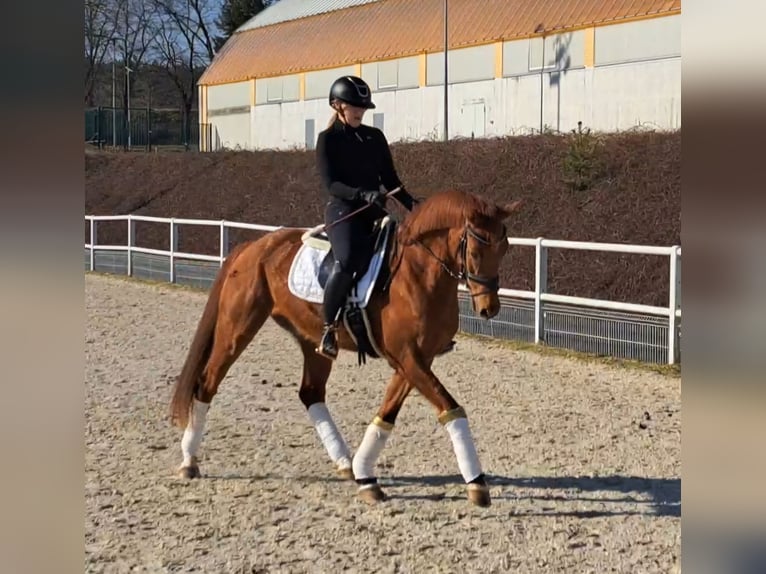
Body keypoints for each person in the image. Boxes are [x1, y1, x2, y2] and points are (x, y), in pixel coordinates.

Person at [314, 75, 419, 359]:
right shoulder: (328, 140)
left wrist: (414, 206)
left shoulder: (375, 137)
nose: (360, 112)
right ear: (337, 106)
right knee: (347, 260)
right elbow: (331, 184)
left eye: (363, 107)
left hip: (375, 213)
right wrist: (362, 194)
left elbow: (391, 180)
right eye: (353, 107)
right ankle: (328, 328)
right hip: (344, 212)